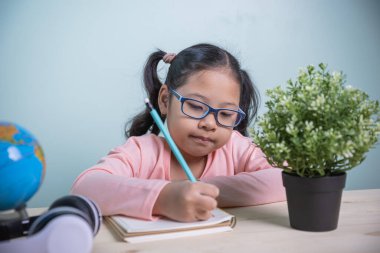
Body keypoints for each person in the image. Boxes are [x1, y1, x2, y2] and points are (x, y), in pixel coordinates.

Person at [71, 43, 285, 222]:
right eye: (195, 106)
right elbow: (85, 187)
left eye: (226, 114)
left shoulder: (237, 147)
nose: (210, 123)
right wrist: (163, 198)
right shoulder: (142, 151)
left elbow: (284, 180)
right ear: (165, 100)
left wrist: (204, 191)